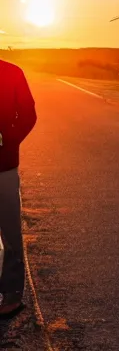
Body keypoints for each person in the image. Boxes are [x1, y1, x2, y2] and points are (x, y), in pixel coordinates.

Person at [0, 60, 37, 318]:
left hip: (4, 167)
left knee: (10, 231)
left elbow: (28, 114)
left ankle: (12, 295)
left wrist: (8, 139)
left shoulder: (12, 73)